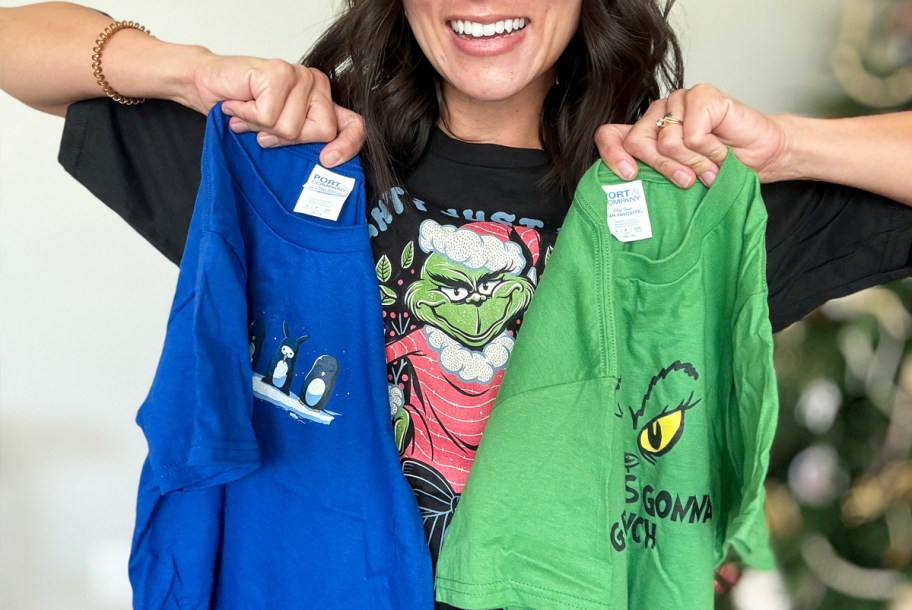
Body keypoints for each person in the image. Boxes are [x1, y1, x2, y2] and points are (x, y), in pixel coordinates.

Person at [1, 0, 911, 604]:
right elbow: (16, 46)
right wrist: (189, 71)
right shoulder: (293, 171)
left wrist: (788, 146)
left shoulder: (680, 221)